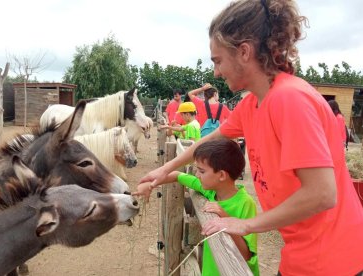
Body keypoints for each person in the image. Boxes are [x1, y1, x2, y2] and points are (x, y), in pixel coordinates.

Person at [139, 0, 363, 275]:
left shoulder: (289, 100)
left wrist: (244, 224)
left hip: (333, 261)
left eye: (218, 60)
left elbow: (323, 193)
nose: (216, 72)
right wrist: (163, 170)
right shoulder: (252, 105)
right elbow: (206, 143)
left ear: (244, 52)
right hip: (302, 254)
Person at [134, 139, 259, 276]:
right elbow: (178, 176)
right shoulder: (211, 190)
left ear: (222, 175)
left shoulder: (246, 204)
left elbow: (246, 254)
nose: (197, 175)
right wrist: (150, 185)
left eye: (201, 171)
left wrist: (225, 217)